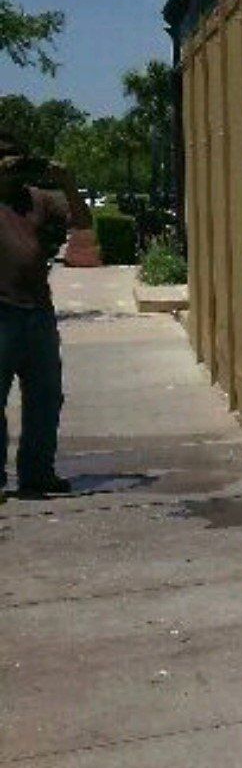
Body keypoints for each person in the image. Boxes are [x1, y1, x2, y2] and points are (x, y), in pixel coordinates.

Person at [0, 134, 94, 500]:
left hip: (38, 312)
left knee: (45, 397)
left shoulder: (39, 199)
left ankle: (37, 473)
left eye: (15, 156)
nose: (11, 164)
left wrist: (67, 182)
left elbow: (82, 222)